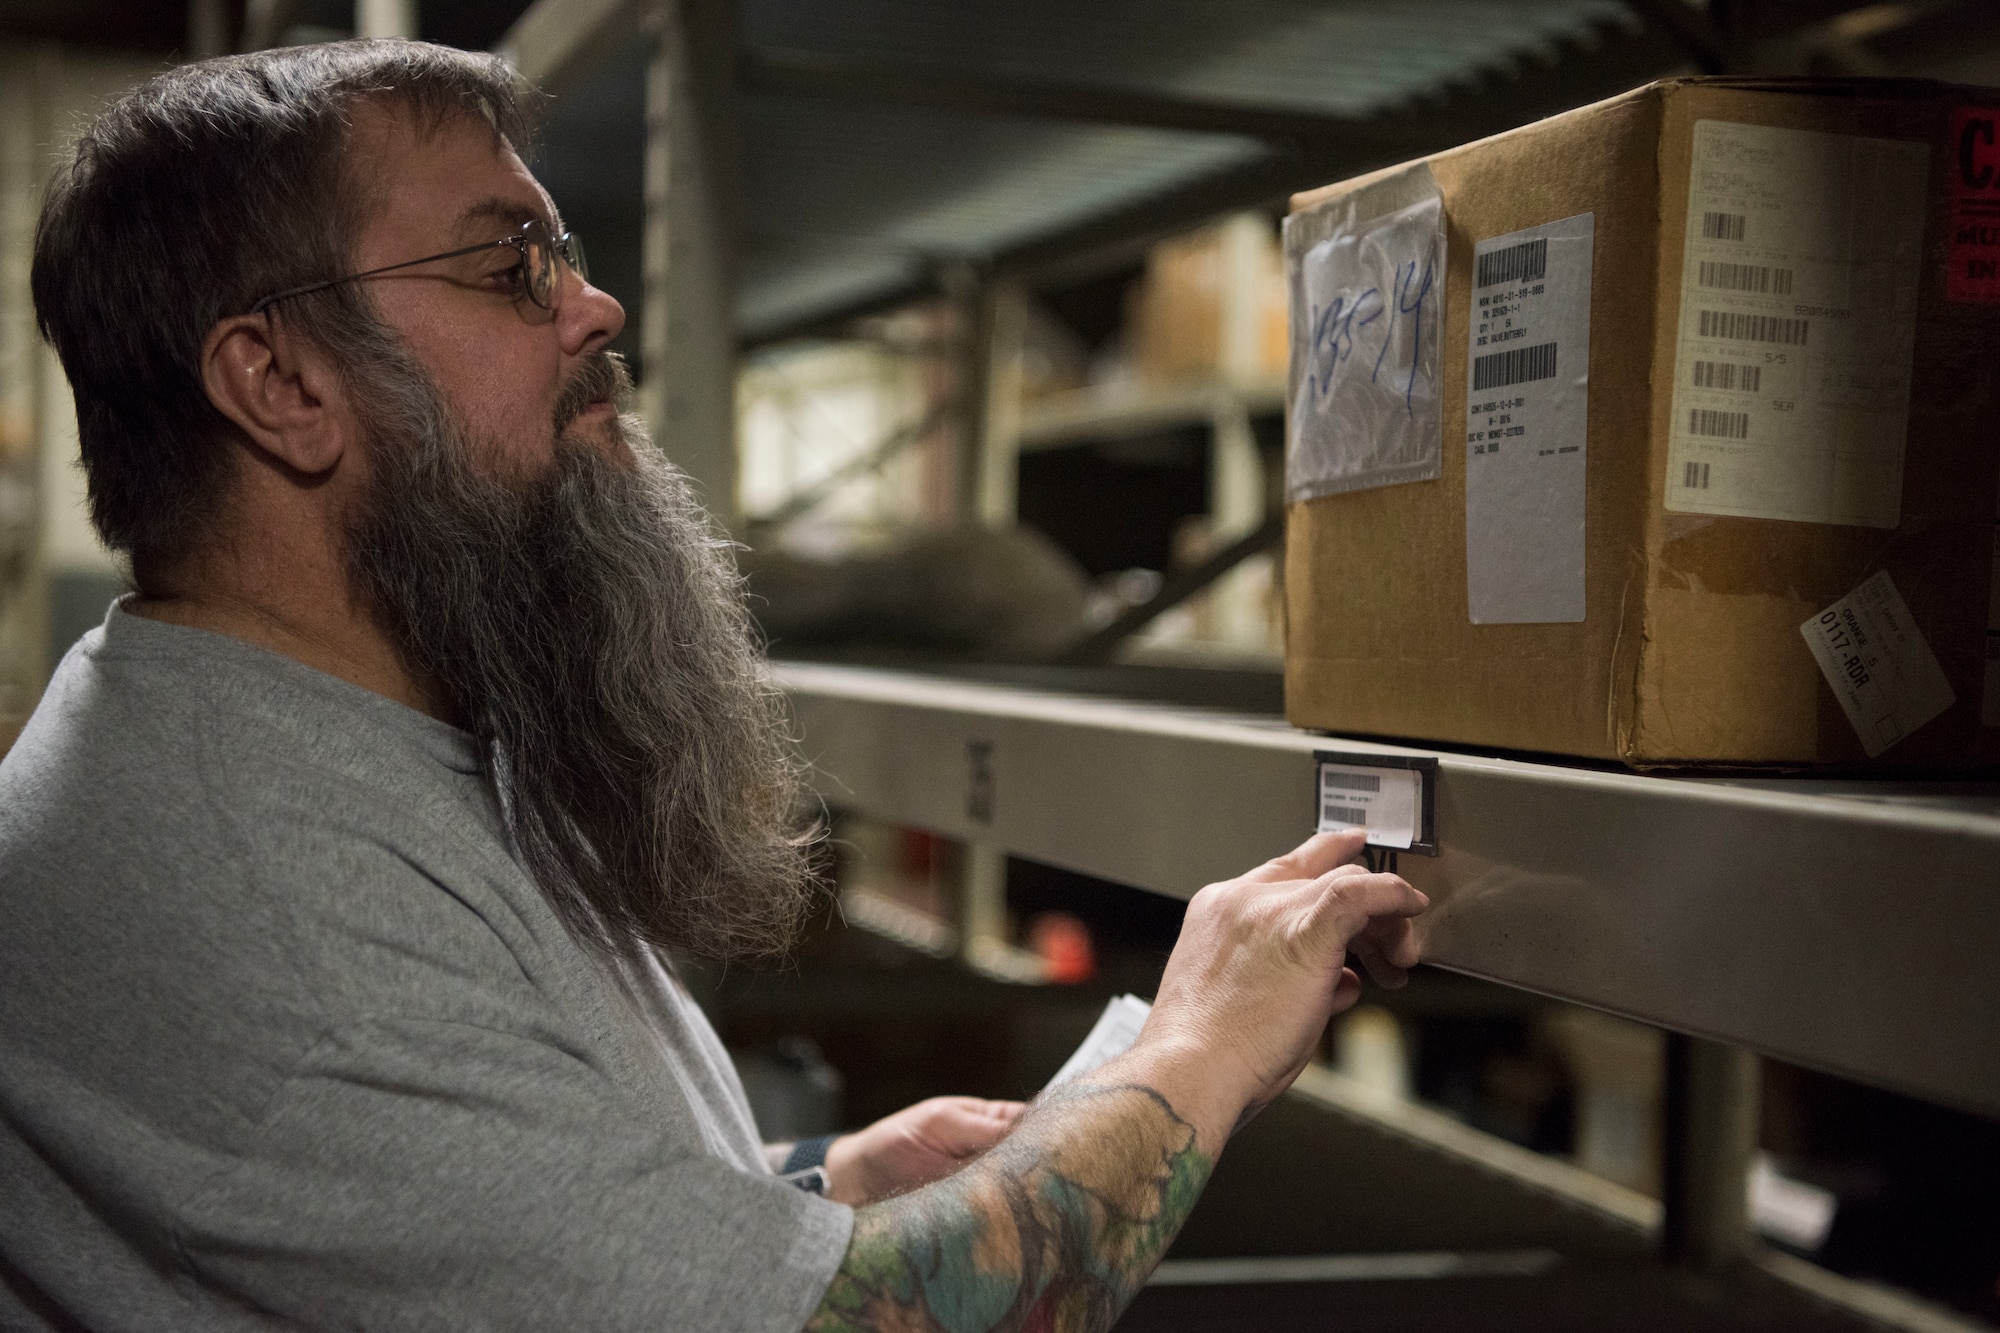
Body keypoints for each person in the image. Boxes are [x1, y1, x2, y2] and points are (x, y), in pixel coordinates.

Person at [0, 40, 1427, 1332]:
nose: (596, 304)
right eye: (511, 268)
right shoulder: (263, 900)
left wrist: (805, 1190)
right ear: (283, 383)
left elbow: (412, 1218)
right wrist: (1203, 1039)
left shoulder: (301, 723)